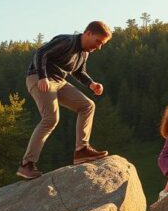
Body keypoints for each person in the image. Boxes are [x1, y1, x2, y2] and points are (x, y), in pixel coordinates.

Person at [16, 21, 112, 179]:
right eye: (98, 41)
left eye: (102, 44)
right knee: (51, 119)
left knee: (87, 106)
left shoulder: (84, 53)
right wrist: (42, 77)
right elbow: (41, 53)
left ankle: (82, 150)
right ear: (88, 33)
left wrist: (91, 84)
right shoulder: (66, 41)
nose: (99, 47)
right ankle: (26, 165)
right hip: (39, 78)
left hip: (59, 81)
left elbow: (79, 72)